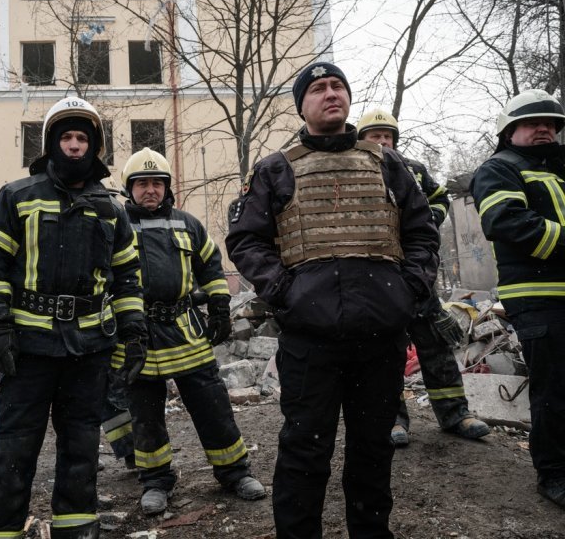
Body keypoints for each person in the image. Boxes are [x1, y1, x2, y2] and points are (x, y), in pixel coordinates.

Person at [226, 63, 440, 538]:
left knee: (372, 449)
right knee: (304, 450)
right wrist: (285, 293)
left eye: (337, 86)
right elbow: (245, 241)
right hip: (310, 339)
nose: (330, 94)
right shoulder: (275, 168)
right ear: (301, 104)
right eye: (318, 89)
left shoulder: (387, 163)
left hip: (381, 334)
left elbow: (422, 232)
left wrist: (410, 290)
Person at [0, 96, 147, 539]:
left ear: (94, 147)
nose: (73, 145)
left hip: (89, 350)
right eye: (65, 137)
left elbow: (127, 278)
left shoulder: (111, 209)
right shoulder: (16, 196)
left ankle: (76, 528)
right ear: (51, 144)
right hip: (27, 350)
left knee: (81, 447)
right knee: (13, 446)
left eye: (82, 138)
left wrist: (134, 334)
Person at [115, 148, 266, 516]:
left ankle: (234, 472)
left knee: (211, 405)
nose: (150, 190)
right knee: (145, 413)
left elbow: (212, 267)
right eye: (142, 184)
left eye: (157, 183)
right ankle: (155, 482)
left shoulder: (188, 224)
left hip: (184, 329)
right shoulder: (114, 227)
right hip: (137, 333)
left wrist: (218, 307)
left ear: (167, 188)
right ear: (128, 189)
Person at [357, 109, 490, 446]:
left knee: (435, 344)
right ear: (362, 140)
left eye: (388, 135)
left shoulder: (413, 169)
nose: (384, 140)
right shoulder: (355, 169)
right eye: (375, 135)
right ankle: (393, 420)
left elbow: (439, 197)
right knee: (386, 351)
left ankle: (455, 414)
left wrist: (429, 218)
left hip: (418, 274)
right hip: (378, 276)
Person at [470, 89, 565, 509]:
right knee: (555, 389)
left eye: (551, 123)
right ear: (510, 131)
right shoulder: (498, 170)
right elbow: (508, 222)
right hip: (539, 297)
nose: (544, 128)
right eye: (532, 123)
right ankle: (555, 475)